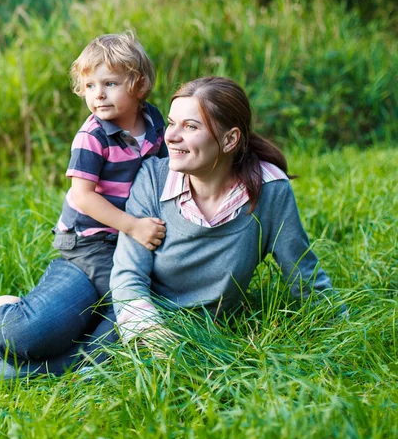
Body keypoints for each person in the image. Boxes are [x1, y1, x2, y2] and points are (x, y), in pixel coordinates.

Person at [0, 32, 168, 374]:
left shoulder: (155, 123)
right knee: (36, 333)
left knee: (101, 356)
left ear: (140, 85)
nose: (98, 94)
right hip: (90, 246)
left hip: (131, 246)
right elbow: (83, 197)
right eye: (90, 86)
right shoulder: (93, 137)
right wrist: (133, 225)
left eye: (111, 83)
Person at [110, 77, 336, 343]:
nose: (170, 136)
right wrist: (157, 340)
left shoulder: (269, 190)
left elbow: (303, 275)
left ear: (230, 140)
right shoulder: (151, 179)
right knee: (53, 344)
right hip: (140, 321)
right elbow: (128, 277)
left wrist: (341, 335)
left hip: (213, 338)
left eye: (190, 126)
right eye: (171, 123)